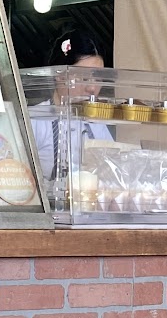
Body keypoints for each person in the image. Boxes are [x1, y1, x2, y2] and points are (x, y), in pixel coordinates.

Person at [30, 31, 112, 195]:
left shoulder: (97, 124)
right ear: (60, 75)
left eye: (98, 78)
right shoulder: (35, 120)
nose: (92, 88)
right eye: (84, 78)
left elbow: (111, 174)